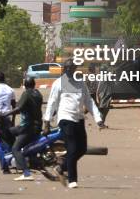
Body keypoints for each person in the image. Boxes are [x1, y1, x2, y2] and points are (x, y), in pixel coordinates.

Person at [43, 59, 104, 189]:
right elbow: (52, 103)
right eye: (68, 68)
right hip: (65, 119)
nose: (70, 70)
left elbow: (89, 102)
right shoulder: (58, 83)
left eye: (72, 68)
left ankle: (61, 167)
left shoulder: (80, 83)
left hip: (79, 119)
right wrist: (46, 122)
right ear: (64, 69)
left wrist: (98, 119)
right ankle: (72, 179)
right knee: (72, 148)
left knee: (81, 148)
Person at [2, 76, 43, 181]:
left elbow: (18, 108)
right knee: (8, 132)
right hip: (35, 125)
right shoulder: (38, 94)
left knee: (15, 148)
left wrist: (5, 114)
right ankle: (17, 157)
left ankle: (26, 173)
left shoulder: (27, 93)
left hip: (28, 127)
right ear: (34, 84)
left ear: (25, 86)